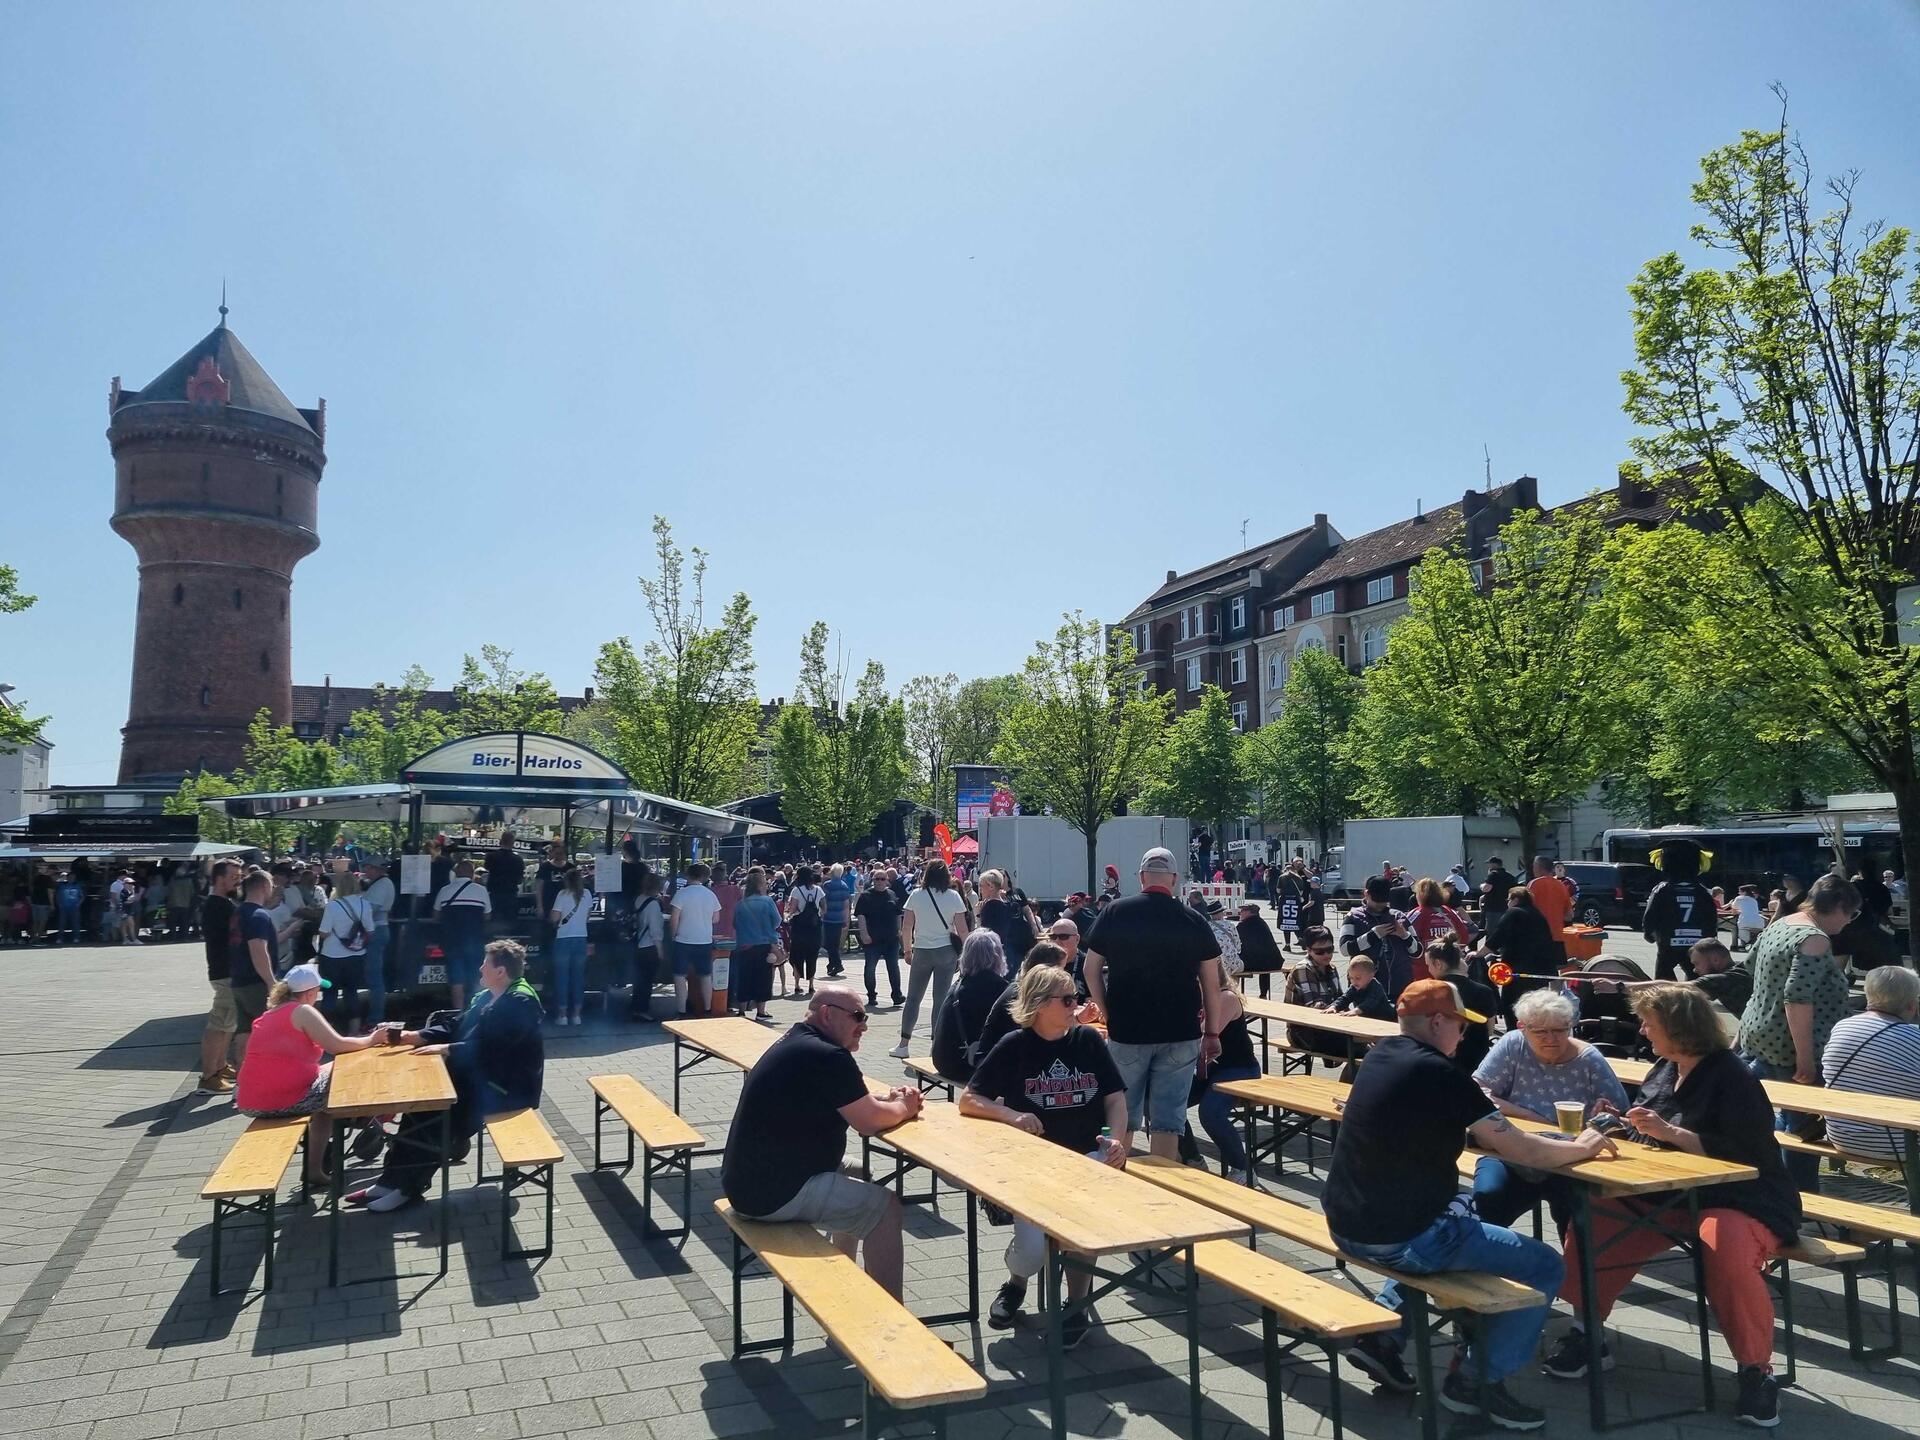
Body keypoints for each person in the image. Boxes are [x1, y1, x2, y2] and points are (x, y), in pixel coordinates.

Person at [1327, 979, 1617, 1430]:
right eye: (1461, 1026)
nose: (1464, 1036)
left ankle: (1386, 1339)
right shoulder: (1441, 1074)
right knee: (1544, 1266)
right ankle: (1476, 1382)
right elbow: (1525, 1151)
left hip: (1346, 1224)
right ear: (1438, 1021)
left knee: (1467, 1220)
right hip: (1403, 1238)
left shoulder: (1382, 1055)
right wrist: (1582, 1147)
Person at [1546, 985, 1799, 1429]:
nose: (1642, 1030)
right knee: (1597, 1220)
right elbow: (1653, 1129)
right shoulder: (1666, 1067)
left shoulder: (1733, 1077)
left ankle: (1756, 1372)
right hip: (1670, 1192)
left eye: (1650, 1023)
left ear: (1680, 1029)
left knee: (1727, 1249)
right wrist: (1624, 1123)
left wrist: (1670, 1133)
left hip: (1739, 1197)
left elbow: (1746, 1155)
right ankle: (1589, 1335)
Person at [962, 963, 1128, 1339]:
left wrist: (1116, 1140)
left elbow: (1115, 1098)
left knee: (1081, 1234)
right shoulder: (1014, 1047)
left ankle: (1076, 1306)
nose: (1077, 1005)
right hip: (1033, 1169)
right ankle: (1017, 1282)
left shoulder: (1087, 1041)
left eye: (1076, 996)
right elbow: (969, 1099)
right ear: (1039, 1004)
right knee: (1034, 1254)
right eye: (1068, 998)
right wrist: (1011, 1115)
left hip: (1088, 1158)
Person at [721, 987, 922, 1297]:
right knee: (887, 1209)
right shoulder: (827, 1056)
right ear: (827, 1013)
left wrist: (888, 1100)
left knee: (859, 1176)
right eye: (857, 1016)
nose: (864, 1026)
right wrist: (905, 1107)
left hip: (748, 1182)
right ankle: (894, 1329)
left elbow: (852, 1100)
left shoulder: (800, 1042)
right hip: (772, 1193)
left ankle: (844, 1288)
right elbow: (868, 1122)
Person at [347, 939, 546, 1213]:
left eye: (485, 964)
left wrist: (447, 1049)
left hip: (504, 1091)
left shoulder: (519, 1002)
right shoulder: (489, 995)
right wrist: (414, 1036)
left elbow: (494, 1049)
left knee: (435, 1115)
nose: (480, 968)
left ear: (501, 972)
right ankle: (389, 1181)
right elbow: (457, 1025)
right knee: (417, 1106)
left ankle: (408, 1189)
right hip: (480, 1080)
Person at [1083, 847, 1225, 1160]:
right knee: (1167, 1123)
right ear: (1174, 879)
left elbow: (1089, 969)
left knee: (1122, 1113)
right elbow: (1211, 983)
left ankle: (1117, 1182)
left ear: (1142, 877)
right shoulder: (1193, 919)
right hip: (1181, 1030)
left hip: (1127, 1029)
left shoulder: (1116, 912)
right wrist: (1212, 1033)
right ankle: (1162, 1194)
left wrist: (1105, 1011)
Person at [1470, 990, 1630, 1233]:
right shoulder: (1513, 1044)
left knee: (1580, 1219)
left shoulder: (1589, 1059)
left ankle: (1576, 1269)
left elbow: (1620, 1115)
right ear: (1523, 1028)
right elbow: (1478, 1093)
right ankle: (1484, 1262)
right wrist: (1532, 1117)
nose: (1552, 1039)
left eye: (1559, 1030)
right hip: (1511, 1149)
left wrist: (1605, 1116)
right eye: (1541, 1032)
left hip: (1570, 1156)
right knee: (1487, 1199)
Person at [1737, 873, 1860, 1186]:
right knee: (1804, 1130)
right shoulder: (1815, 939)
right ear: (1838, 906)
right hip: (1792, 1046)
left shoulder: (1781, 924)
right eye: (1850, 914)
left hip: (1758, 1034)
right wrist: (1805, 1059)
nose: (1849, 923)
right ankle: (1799, 1200)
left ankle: (1767, 1185)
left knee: (1767, 1117)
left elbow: (1751, 971)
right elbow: (1797, 999)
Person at [236, 963, 386, 1189]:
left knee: (329, 1085)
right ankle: (365, 1118)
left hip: (250, 1101)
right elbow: (338, 1045)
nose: (317, 997)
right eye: (317, 992)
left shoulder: (271, 1014)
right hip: (281, 1100)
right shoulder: (303, 1011)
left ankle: (317, 1167)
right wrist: (372, 1039)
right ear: (308, 993)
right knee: (347, 1075)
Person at [1820, 964, 1920, 1161]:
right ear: (1911, 1005)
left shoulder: (1842, 1027)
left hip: (1842, 1137)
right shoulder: (1914, 1038)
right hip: (1901, 1145)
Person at [1183, 965, 1263, 1184]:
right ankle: (1192, 1158)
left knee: (1210, 1113)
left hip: (1239, 1069)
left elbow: (1203, 1034)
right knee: (1165, 1103)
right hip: (1210, 1069)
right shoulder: (1193, 998)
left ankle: (1243, 1170)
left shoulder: (1226, 997)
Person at [894, 860, 970, 1059]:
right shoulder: (953, 896)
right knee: (940, 999)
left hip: (922, 950)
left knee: (913, 998)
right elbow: (962, 929)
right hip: (946, 951)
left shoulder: (916, 895)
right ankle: (935, 1046)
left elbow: (907, 927)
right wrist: (967, 953)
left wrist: (908, 951)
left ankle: (903, 1044)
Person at [932, 930, 1009, 1082]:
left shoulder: (959, 984)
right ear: (997, 955)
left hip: (944, 1059)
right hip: (967, 1064)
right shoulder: (998, 988)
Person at [1642, 839, 1718, 981]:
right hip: (1696, 943)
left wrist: (1648, 933)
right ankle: (1693, 998)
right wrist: (1711, 936)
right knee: (1696, 978)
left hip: (1668, 941)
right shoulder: (1701, 891)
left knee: (1663, 977)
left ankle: (1667, 999)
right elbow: (1711, 916)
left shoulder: (1662, 889)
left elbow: (1650, 915)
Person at [197, 859, 243, 1094]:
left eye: (239, 876)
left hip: (228, 971)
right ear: (219, 878)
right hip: (224, 971)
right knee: (219, 1024)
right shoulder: (218, 905)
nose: (239, 880)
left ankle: (220, 1066)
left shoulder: (224, 903)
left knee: (228, 1024)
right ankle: (208, 1076)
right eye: (234, 876)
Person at [230, 869, 282, 1065]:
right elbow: (258, 948)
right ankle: (261, 1077)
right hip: (256, 983)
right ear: (264, 886)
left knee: (244, 1032)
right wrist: (271, 982)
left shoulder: (238, 912)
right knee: (266, 1032)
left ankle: (241, 1082)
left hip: (238, 980)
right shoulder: (259, 915)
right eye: (271, 885)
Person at [1339, 875, 1422, 999]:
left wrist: (1404, 935)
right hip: (1366, 989)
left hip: (1400, 986)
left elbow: (1418, 952)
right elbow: (1345, 949)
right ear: (1366, 894)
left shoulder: (1399, 917)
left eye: (1384, 901)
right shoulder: (1353, 917)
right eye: (1376, 900)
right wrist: (1373, 935)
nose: (1380, 905)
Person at [1423, 938, 1498, 1074]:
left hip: (1440, 1061)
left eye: (1428, 965)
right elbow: (1490, 1030)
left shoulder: (1428, 992)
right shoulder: (1484, 991)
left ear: (1438, 964)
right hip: (1477, 1062)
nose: (1428, 969)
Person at [432, 860, 492, 1010]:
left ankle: (457, 1012)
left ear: (455, 873)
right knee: (475, 976)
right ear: (472, 874)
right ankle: (475, 1011)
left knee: (456, 978)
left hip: (451, 941)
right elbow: (487, 916)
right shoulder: (481, 890)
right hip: (474, 939)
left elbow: (436, 916)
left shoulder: (444, 890)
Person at [316, 871, 372, 1030]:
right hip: (356, 955)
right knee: (351, 992)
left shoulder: (333, 906)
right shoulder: (365, 904)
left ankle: (328, 1031)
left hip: (331, 956)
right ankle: (354, 1030)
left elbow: (324, 932)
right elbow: (370, 931)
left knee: (330, 993)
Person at [1282, 926, 1345, 1062]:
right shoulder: (1303, 969)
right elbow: (1314, 1006)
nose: (1326, 955)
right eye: (1320, 951)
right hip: (1302, 1032)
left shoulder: (1331, 968)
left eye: (1330, 950)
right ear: (1308, 950)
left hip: (1329, 1028)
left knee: (1367, 1049)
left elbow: (1341, 1000)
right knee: (1360, 1050)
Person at [669, 862, 721, 1016]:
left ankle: (681, 1011)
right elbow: (716, 918)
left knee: (679, 976)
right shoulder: (710, 894)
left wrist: (673, 935)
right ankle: (707, 1009)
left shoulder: (682, 894)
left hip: (683, 940)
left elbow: (674, 919)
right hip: (704, 940)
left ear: (688, 875)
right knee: (705, 976)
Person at [732, 868, 782, 1021]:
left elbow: (735, 924)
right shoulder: (767, 901)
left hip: (744, 945)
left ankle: (741, 1010)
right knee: (763, 978)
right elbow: (777, 921)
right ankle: (761, 1012)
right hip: (764, 945)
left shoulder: (741, 904)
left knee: (744, 977)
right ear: (761, 885)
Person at [547, 866, 594, 1026]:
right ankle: (576, 1015)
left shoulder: (562, 894)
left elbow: (554, 917)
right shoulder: (587, 894)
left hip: (563, 939)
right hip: (581, 939)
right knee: (578, 978)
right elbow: (587, 918)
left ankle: (562, 1015)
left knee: (562, 978)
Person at [855, 869, 905, 1009]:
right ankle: (871, 995)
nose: (880, 882)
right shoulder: (866, 896)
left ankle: (897, 995)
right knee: (870, 968)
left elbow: (898, 914)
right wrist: (864, 934)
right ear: (873, 880)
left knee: (893, 967)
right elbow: (861, 916)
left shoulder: (892, 894)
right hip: (872, 939)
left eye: (883, 879)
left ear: (887, 880)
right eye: (877, 879)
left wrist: (899, 931)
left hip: (891, 939)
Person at [360, 858, 396, 1026]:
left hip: (376, 930)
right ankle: (374, 1015)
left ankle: (375, 1018)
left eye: (368, 867)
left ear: (376, 869)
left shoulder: (382, 885)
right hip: (377, 930)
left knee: (374, 976)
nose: (366, 871)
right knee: (373, 975)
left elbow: (369, 911)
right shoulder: (380, 884)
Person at [977, 869, 1037, 968]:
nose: (980, 889)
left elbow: (984, 933)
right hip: (1015, 950)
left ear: (991, 886)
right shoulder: (1010, 905)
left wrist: (978, 913)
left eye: (981, 886)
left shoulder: (989, 907)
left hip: (998, 952)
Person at [784, 864, 827, 997]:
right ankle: (811, 985)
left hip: (799, 927)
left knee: (797, 955)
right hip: (814, 928)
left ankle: (797, 984)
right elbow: (824, 907)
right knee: (812, 955)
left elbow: (792, 910)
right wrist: (819, 915)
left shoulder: (796, 890)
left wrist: (790, 913)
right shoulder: (818, 890)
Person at [629, 869, 666, 1021]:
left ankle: (635, 1007)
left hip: (637, 944)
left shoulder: (638, 899)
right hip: (649, 947)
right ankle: (642, 1010)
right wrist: (660, 950)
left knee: (639, 980)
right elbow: (655, 930)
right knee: (647, 981)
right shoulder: (653, 905)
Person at [1688, 938, 1753, 1021]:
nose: (1695, 969)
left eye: (1696, 963)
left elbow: (1680, 989)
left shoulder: (1729, 978)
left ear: (1715, 960)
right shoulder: (1740, 971)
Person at [1527, 856, 1574, 966]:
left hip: (1537, 936)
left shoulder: (1533, 884)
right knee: (1555, 973)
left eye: (1534, 866)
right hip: (1557, 937)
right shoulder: (1561, 886)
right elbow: (1569, 915)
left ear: (1539, 867)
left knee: (1537, 973)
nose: (1533, 869)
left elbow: (1525, 909)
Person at [1235, 902, 1284, 998]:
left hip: (1255, 964)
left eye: (1243, 911)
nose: (1240, 913)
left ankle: (1234, 993)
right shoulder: (1262, 923)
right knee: (1264, 960)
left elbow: (1235, 943)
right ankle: (1263, 994)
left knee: (1233, 964)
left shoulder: (1242, 926)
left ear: (1251, 912)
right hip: (1275, 962)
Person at [1410, 877, 1471, 949]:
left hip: (1424, 958)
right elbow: (1463, 936)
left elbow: (1407, 934)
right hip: (1448, 958)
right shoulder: (1450, 912)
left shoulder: (1417, 913)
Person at [821, 862, 856, 978]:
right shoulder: (844, 886)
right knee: (834, 943)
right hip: (839, 918)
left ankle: (837, 963)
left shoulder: (827, 885)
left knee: (828, 943)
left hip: (828, 917)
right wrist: (846, 919)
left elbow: (823, 901)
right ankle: (832, 965)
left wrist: (822, 913)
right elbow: (847, 904)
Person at [1332, 955, 1392, 1020]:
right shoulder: (1354, 987)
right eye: (1351, 978)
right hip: (1368, 1018)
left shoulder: (1376, 987)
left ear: (1371, 976)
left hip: (1386, 1019)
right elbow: (1345, 998)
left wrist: (1356, 1011)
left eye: (1358, 978)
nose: (1354, 981)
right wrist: (1334, 1006)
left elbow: (1370, 1002)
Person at [485, 831, 525, 927]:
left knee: (494, 923)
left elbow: (487, 869)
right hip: (511, 895)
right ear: (513, 843)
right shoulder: (518, 859)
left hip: (494, 895)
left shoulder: (491, 857)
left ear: (500, 841)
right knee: (510, 923)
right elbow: (520, 880)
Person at [1275, 858, 1312, 951]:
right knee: (1296, 921)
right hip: (1296, 902)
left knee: (1285, 922)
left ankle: (1287, 944)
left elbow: (1278, 890)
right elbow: (1302, 891)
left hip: (1285, 902)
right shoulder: (1299, 878)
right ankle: (1301, 939)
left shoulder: (1282, 877)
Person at [1480, 857, 1519, 925]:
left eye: (1489, 864)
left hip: (1493, 908)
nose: (1488, 866)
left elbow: (1486, 888)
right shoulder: (1510, 876)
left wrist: (1482, 886)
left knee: (1492, 930)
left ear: (1494, 864)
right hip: (1506, 907)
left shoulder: (1493, 875)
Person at [1731, 886, 1766, 952]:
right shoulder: (1754, 900)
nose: (1739, 893)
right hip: (1758, 922)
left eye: (1740, 891)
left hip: (1745, 922)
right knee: (1754, 933)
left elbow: (1733, 907)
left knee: (1739, 928)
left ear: (1744, 892)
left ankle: (1742, 944)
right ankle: (1753, 944)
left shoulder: (1739, 898)